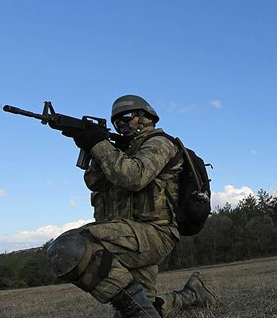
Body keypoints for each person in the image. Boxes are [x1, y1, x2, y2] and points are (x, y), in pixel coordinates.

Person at [45, 95, 219, 317]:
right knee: (144, 306)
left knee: (70, 247)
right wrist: (95, 145)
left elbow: (133, 176)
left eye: (127, 117)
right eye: (117, 122)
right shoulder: (122, 152)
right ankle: (193, 295)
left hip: (154, 234)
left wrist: (99, 144)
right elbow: (94, 182)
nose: (122, 124)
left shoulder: (160, 143)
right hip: (130, 234)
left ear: (146, 117)